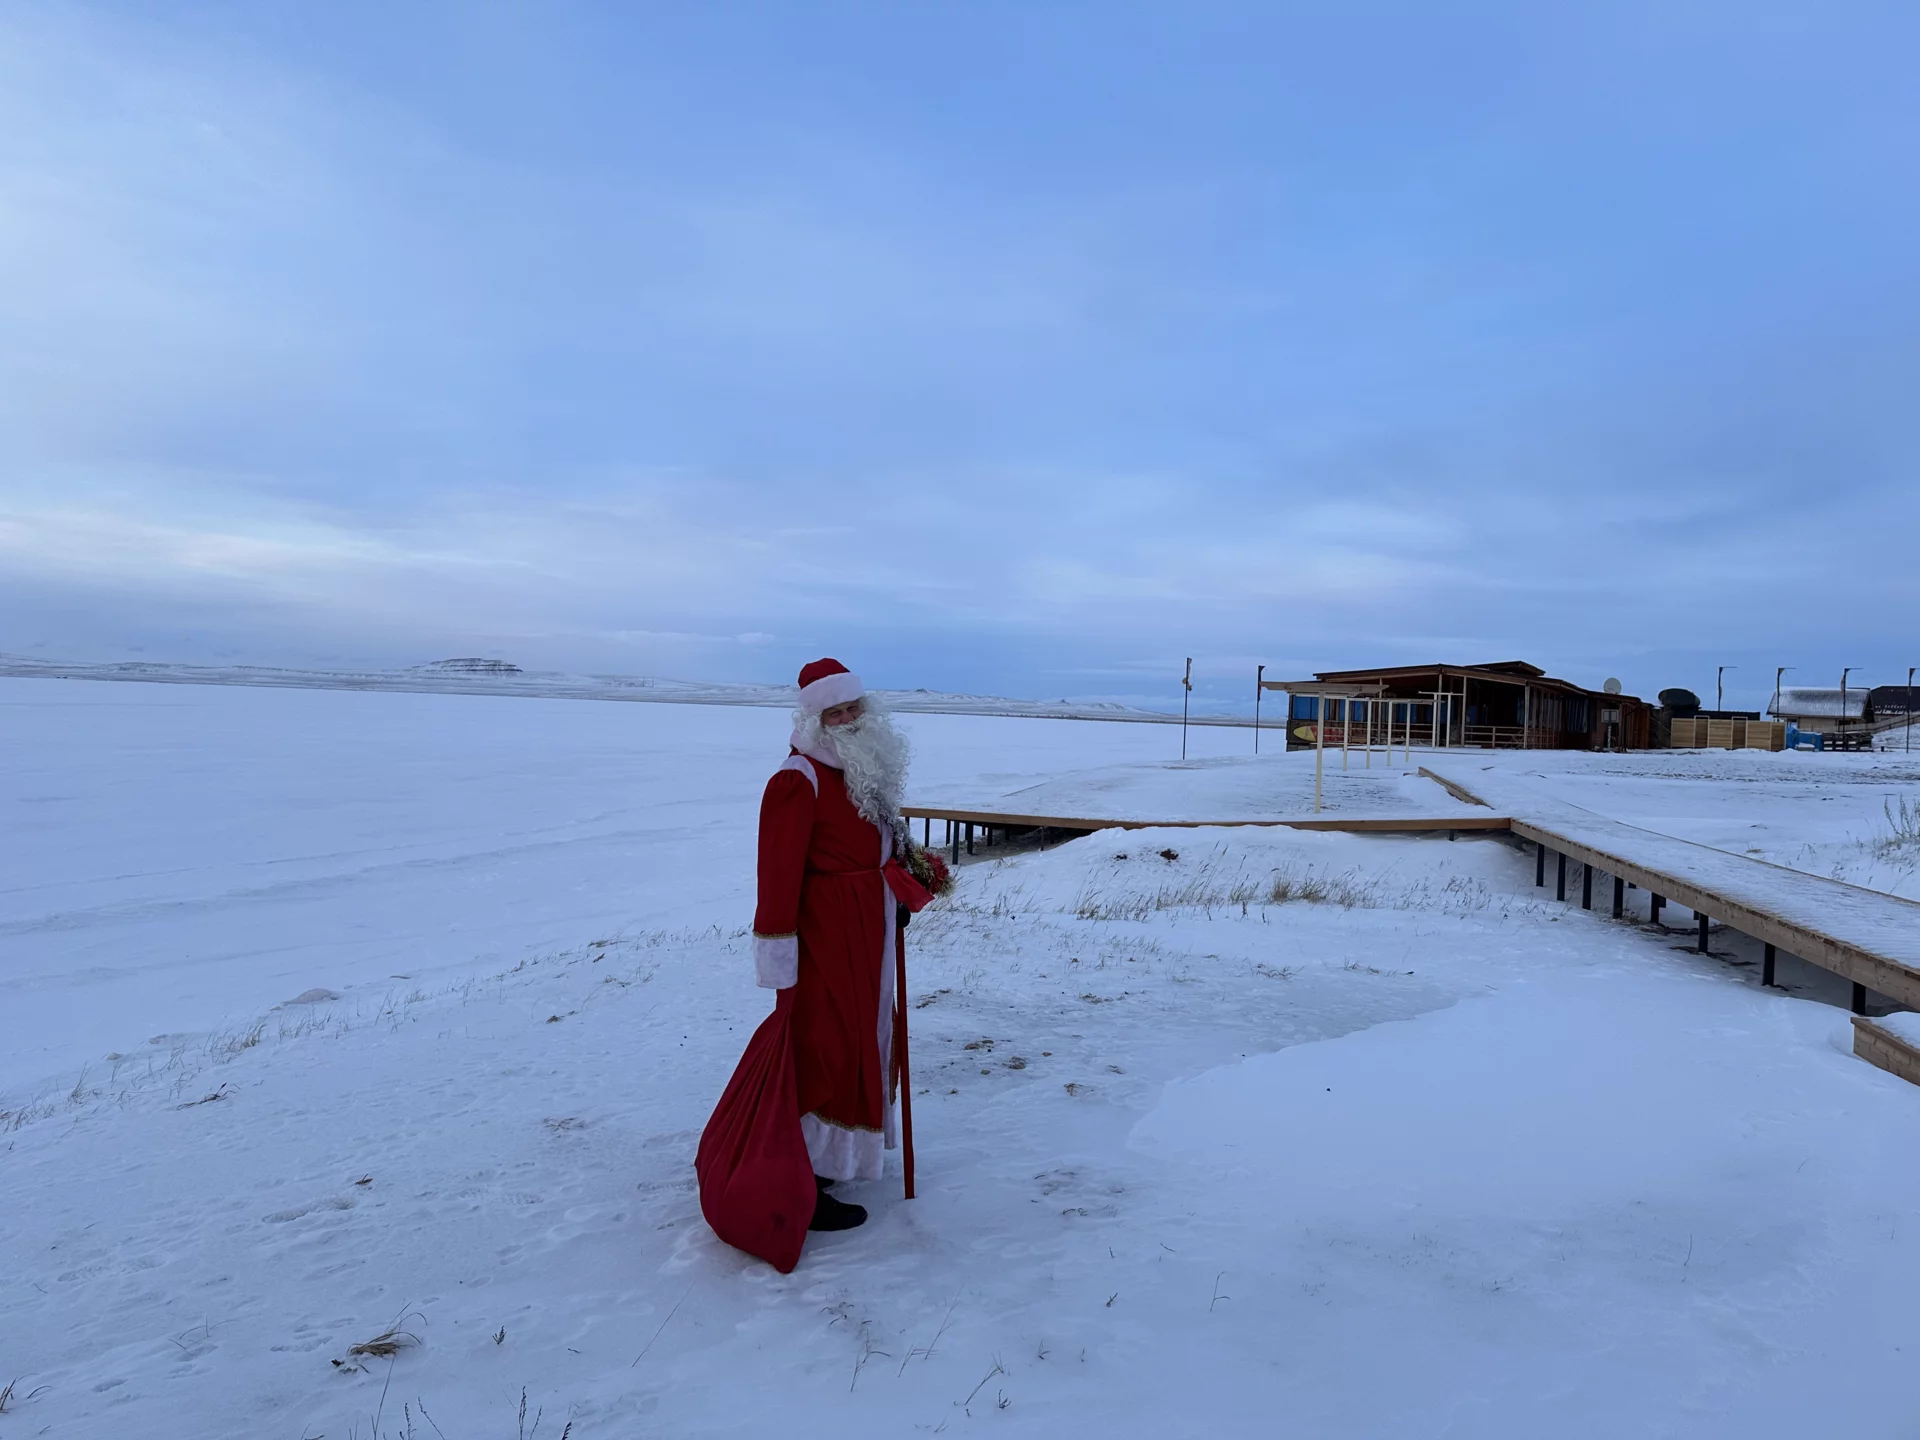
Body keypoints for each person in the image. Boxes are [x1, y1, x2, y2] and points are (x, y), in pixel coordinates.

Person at [751, 658, 915, 1232]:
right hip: (823, 933)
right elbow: (776, 874)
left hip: (866, 925)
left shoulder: (860, 771)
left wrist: (899, 895)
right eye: (834, 711)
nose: (846, 719)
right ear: (814, 717)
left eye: (853, 708)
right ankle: (802, 1178)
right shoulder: (799, 779)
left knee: (860, 1041)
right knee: (824, 1045)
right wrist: (779, 953)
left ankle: (834, 1158)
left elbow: (878, 848)